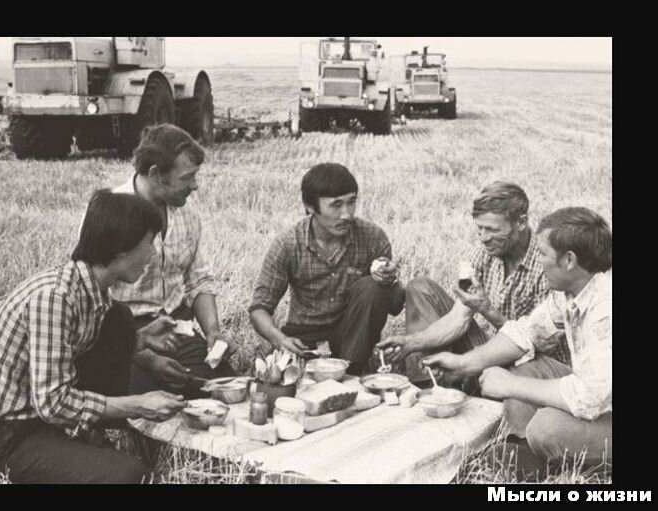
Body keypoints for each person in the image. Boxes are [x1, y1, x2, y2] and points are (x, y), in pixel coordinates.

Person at [0, 190, 186, 484]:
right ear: (122, 249)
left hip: (43, 419)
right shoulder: (55, 298)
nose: (153, 253)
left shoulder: (93, 288)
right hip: (10, 433)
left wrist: (140, 340)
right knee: (131, 477)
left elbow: (81, 351)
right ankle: (3, 471)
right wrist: (138, 404)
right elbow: (53, 402)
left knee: (121, 319)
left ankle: (79, 440)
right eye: (149, 242)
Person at [423, 207, 612, 478]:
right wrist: (464, 363)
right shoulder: (574, 290)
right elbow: (526, 334)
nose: (539, 261)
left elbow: (590, 398)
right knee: (525, 363)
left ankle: (544, 458)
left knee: (546, 427)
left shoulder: (606, 308)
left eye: (543, 254)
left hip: (601, 402)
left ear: (569, 260)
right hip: (599, 393)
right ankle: (522, 448)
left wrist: (510, 385)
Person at [377, 181, 569, 388]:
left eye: (492, 229)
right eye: (479, 228)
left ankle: (474, 384)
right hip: (494, 349)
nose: (484, 238)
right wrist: (411, 342)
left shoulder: (547, 264)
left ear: (521, 222)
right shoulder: (484, 254)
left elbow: (535, 342)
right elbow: (457, 320)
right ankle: (428, 386)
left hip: (536, 362)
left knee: (519, 367)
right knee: (421, 287)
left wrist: (487, 310)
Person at [107, 124, 236, 397]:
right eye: (187, 177)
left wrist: (213, 332)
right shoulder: (111, 213)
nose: (195, 186)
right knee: (143, 407)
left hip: (177, 327)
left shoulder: (187, 215)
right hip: (122, 334)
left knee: (224, 393)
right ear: (156, 174)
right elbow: (93, 302)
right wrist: (146, 357)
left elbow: (198, 280)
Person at [248, 163, 405, 375]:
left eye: (351, 202)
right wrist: (280, 340)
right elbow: (259, 308)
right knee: (283, 381)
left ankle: (352, 371)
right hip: (304, 338)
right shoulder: (288, 244)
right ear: (310, 206)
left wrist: (389, 280)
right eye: (336, 205)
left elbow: (394, 305)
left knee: (372, 287)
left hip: (352, 336)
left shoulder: (372, 237)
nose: (347, 214)